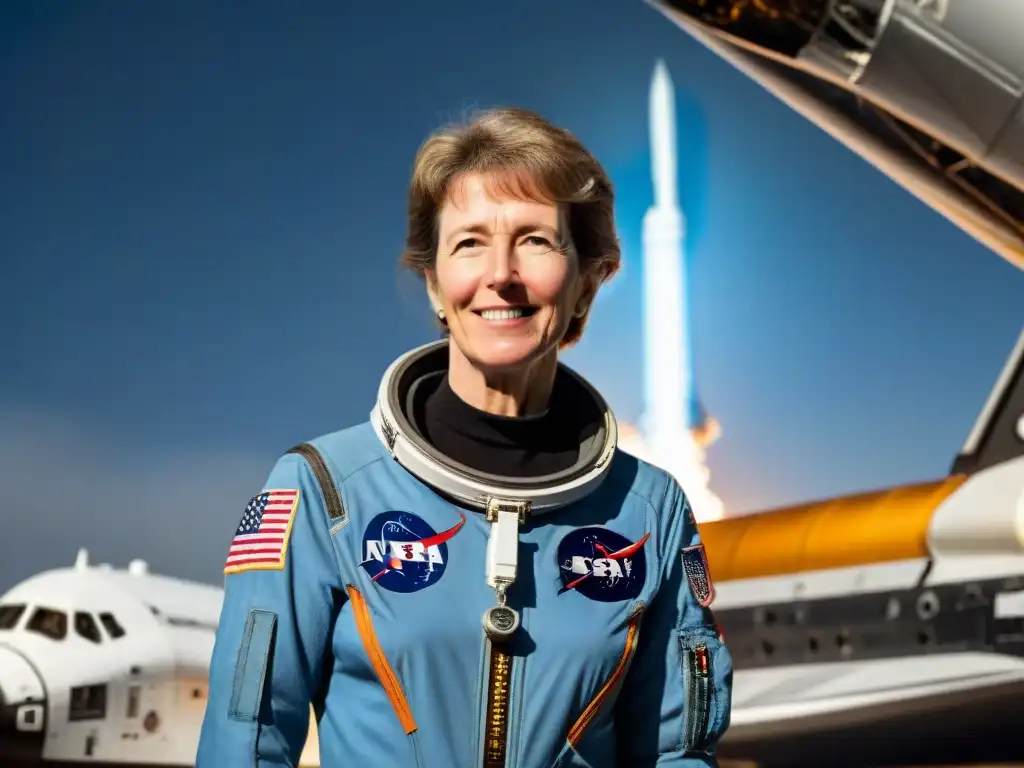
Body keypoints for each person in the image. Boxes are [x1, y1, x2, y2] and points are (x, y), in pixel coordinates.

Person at [196, 106, 733, 767]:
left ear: (588, 282)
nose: (500, 273)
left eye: (537, 240)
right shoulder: (325, 493)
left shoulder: (649, 511)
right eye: (469, 242)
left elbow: (676, 750)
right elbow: (245, 739)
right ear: (434, 283)